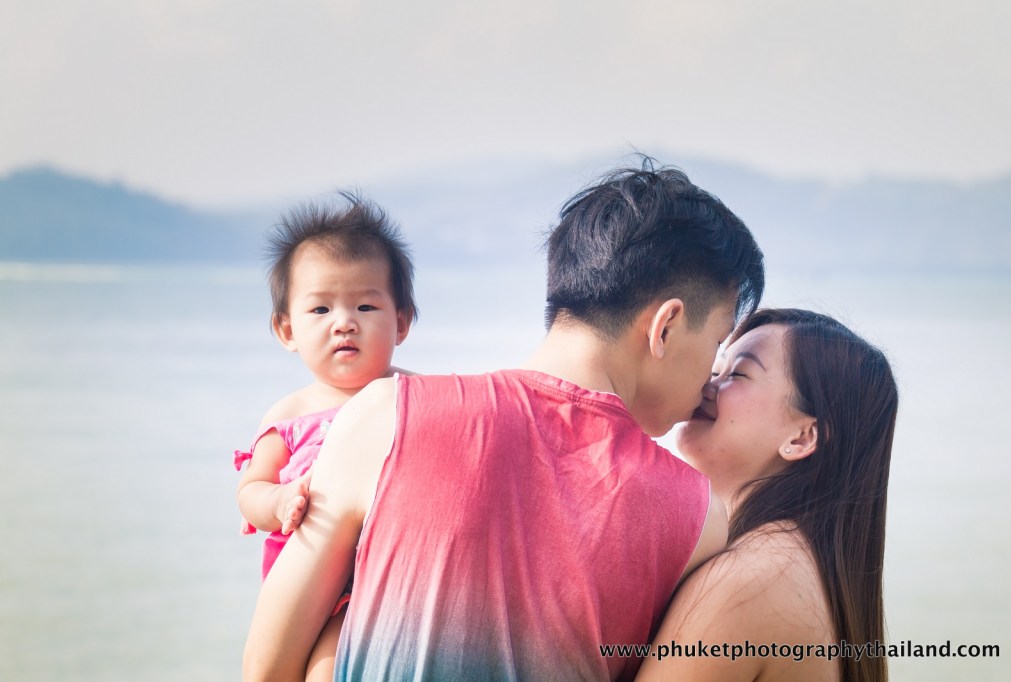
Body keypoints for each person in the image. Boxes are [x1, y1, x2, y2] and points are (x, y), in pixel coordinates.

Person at [242, 160, 766, 681]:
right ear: (666, 326)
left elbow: (267, 670)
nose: (712, 372)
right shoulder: (697, 519)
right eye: (717, 341)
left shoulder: (386, 416)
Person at [637, 308, 898, 682]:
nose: (706, 386)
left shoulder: (750, 580)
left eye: (739, 374)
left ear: (802, 437)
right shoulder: (798, 566)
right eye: (716, 369)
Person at [234, 192, 416, 680]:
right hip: (308, 585)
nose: (344, 322)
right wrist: (277, 501)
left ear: (400, 322)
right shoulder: (290, 414)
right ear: (286, 330)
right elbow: (250, 488)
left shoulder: (414, 396)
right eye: (320, 310)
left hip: (386, 578)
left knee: (337, 668)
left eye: (364, 304)